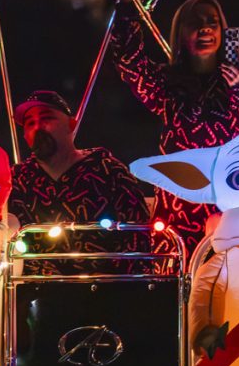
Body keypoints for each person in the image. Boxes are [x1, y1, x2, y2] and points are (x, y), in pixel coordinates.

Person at [100, 0, 239, 254]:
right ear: (181, 32)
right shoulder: (166, 84)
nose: (204, 27)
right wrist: (127, 5)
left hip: (229, 213)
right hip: (177, 216)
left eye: (212, 21)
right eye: (195, 22)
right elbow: (129, 63)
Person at [9, 90, 152, 275]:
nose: (38, 127)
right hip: (34, 290)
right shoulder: (18, 179)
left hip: (105, 289)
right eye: (30, 123)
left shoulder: (107, 170)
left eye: (47, 118)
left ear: (71, 124)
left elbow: (138, 235)